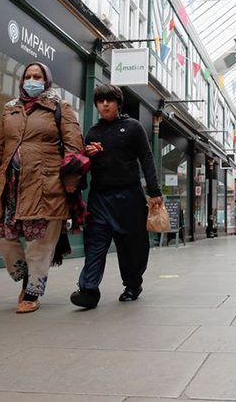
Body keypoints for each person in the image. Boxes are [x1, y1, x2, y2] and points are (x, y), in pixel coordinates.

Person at [0, 62, 84, 313]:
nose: (32, 80)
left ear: (47, 81)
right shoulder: (10, 110)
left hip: (46, 185)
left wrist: (69, 184)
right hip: (9, 185)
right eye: (28, 76)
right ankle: (25, 276)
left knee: (40, 241)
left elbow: (74, 149)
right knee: (2, 235)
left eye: (38, 76)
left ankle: (33, 290)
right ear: (21, 80)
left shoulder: (60, 108)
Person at [70, 84, 162, 308]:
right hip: (99, 197)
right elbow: (83, 167)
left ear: (118, 103)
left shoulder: (133, 127)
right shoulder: (93, 132)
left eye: (109, 100)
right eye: (100, 101)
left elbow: (146, 158)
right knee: (95, 243)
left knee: (131, 244)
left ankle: (132, 284)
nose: (104, 105)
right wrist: (86, 155)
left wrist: (154, 191)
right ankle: (88, 290)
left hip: (128, 196)